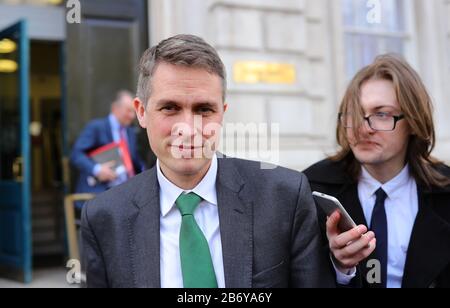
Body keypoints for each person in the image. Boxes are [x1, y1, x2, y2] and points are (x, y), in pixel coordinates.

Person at [81, 34, 336, 288]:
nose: (189, 129)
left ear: (222, 114)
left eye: (204, 110)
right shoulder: (104, 219)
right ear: (141, 112)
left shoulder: (285, 198)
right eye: (170, 108)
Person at [304, 54, 450, 288]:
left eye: (381, 114)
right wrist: (341, 267)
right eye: (354, 114)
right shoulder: (310, 188)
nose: (363, 128)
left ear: (413, 121)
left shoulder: (445, 190)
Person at [70, 90, 146, 206]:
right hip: (100, 193)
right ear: (115, 108)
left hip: (128, 193)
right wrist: (97, 169)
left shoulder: (130, 132)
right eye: (128, 111)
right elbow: (76, 154)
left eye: (133, 112)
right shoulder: (96, 127)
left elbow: (135, 161)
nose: (132, 116)